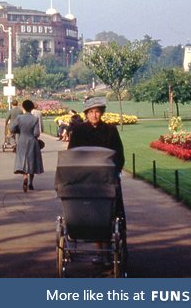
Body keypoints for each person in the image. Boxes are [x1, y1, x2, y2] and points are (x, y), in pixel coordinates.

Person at [67, 97, 125, 263]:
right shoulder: (78, 130)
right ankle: (101, 251)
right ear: (86, 114)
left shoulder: (111, 130)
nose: (94, 115)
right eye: (91, 112)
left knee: (109, 213)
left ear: (102, 113)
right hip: (86, 178)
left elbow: (119, 154)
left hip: (107, 177)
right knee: (91, 214)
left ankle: (105, 251)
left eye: (97, 112)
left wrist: (116, 171)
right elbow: (72, 154)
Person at [10, 99, 43, 192]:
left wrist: (19, 130)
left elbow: (12, 128)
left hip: (22, 140)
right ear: (32, 108)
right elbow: (37, 133)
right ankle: (31, 183)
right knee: (32, 160)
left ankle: (25, 176)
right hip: (32, 140)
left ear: (23, 107)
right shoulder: (35, 119)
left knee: (23, 159)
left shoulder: (19, 118)